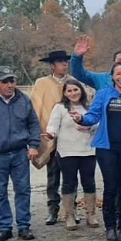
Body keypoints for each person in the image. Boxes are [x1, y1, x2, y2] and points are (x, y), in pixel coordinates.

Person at [70, 36, 121, 230]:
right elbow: (79, 75)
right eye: (119, 65)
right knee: (111, 186)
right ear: (113, 70)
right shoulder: (103, 86)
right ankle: (112, 224)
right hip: (108, 145)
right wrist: (77, 56)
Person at [0, 66, 40, 241]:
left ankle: (24, 226)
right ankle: (4, 227)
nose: (10, 85)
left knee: (23, 190)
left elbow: (33, 124)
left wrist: (33, 145)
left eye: (12, 81)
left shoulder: (23, 100)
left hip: (19, 153)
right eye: (5, 82)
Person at [43, 79, 99, 231]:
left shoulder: (89, 107)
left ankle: (91, 214)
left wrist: (89, 128)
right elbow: (53, 125)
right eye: (69, 91)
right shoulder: (60, 108)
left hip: (87, 150)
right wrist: (50, 134)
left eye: (76, 90)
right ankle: (69, 215)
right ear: (65, 93)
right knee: (69, 182)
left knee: (89, 182)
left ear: (81, 90)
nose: (73, 93)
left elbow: (97, 123)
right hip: (67, 151)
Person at [31, 50, 75, 225]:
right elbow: (35, 109)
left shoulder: (73, 82)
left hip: (70, 137)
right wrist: (40, 134)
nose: (64, 65)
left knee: (71, 176)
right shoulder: (41, 84)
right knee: (53, 176)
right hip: (49, 136)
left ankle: (71, 211)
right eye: (60, 62)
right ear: (52, 65)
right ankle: (53, 210)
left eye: (65, 62)